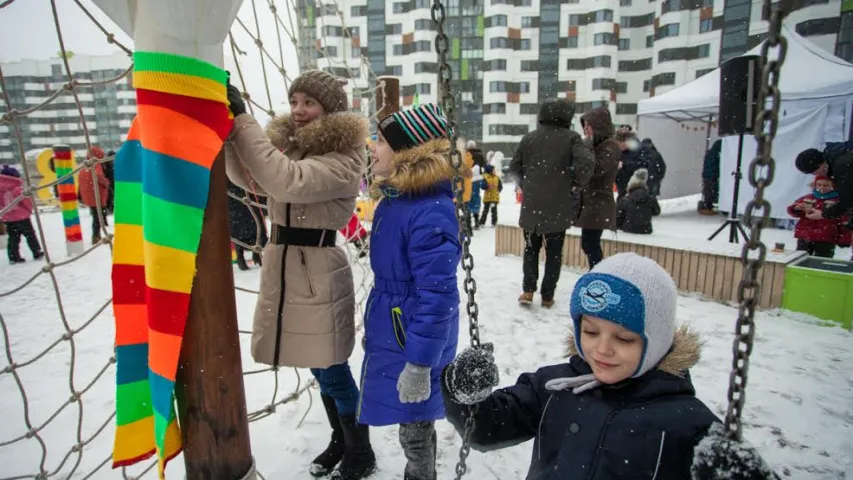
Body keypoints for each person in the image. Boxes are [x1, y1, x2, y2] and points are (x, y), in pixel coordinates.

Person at [441, 252, 778, 480]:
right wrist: (466, 393)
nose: (601, 349)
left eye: (625, 339)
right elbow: (486, 428)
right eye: (589, 331)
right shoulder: (555, 386)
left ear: (656, 341)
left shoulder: (688, 423)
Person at [225, 70, 375, 479]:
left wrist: (243, 122)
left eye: (308, 103)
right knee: (316, 365)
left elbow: (284, 182)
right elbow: (254, 179)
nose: (299, 111)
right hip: (288, 265)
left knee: (331, 367)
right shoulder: (294, 148)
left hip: (316, 268)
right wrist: (227, 133)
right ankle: (340, 438)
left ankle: (360, 449)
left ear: (329, 108)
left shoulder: (345, 156)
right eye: (295, 101)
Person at [362, 104, 461, 480]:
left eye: (383, 141)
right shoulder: (397, 201)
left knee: (416, 425)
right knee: (411, 421)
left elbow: (438, 297)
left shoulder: (429, 211)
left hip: (414, 335)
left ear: (408, 153)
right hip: (397, 325)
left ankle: (421, 476)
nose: (373, 147)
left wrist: (420, 363)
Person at [509, 98, 594, 308]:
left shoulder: (529, 138)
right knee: (554, 253)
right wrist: (574, 183)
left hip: (532, 207)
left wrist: (526, 186)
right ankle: (547, 296)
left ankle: (528, 290)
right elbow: (585, 165)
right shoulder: (571, 138)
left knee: (531, 250)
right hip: (559, 204)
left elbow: (514, 168)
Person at [574, 106, 620, 271]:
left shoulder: (610, 146)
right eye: (584, 125)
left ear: (598, 125)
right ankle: (596, 273)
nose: (586, 129)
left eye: (589, 125)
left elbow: (597, 169)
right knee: (588, 244)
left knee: (590, 244)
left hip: (599, 204)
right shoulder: (596, 145)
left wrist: (586, 148)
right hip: (590, 203)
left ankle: (598, 274)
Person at [787, 175, 846, 258]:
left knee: (822, 260)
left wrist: (843, 238)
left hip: (826, 237)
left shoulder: (837, 200)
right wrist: (796, 208)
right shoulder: (807, 198)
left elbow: (843, 219)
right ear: (815, 185)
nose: (822, 187)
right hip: (805, 235)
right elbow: (792, 210)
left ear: (833, 186)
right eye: (819, 185)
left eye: (826, 185)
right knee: (800, 259)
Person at [796, 148, 853, 221]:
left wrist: (824, 214)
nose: (815, 174)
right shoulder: (837, 157)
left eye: (813, 172)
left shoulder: (842, 167)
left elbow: (847, 200)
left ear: (819, 165)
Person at [1, 169, 43, 263]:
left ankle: (13, 256)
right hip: (21, 217)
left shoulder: (1, 190)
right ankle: (36, 252)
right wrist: (28, 210)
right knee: (30, 235)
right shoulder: (17, 189)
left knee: (13, 237)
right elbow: (26, 201)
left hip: (7, 218)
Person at [226, 180, 267, 270]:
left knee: (252, 228)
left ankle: (254, 255)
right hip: (238, 195)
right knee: (242, 229)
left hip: (244, 194)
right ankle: (243, 258)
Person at [77, 146, 111, 244]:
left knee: (95, 216)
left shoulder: (85, 167)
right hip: (97, 196)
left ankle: (96, 235)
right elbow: (99, 175)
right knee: (97, 218)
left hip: (89, 196)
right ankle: (96, 237)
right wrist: (106, 182)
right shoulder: (96, 165)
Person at [616, 168, 660, 234]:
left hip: (628, 230)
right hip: (646, 230)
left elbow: (617, 218)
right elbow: (657, 212)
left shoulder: (625, 200)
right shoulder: (650, 199)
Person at [613, 131, 643, 200]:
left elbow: (640, 165)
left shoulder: (637, 151)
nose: (618, 146)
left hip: (633, 188)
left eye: (619, 144)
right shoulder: (622, 152)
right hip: (622, 187)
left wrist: (624, 164)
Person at [699, 139, 722, 215]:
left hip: (707, 175)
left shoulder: (710, 152)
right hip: (711, 176)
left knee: (708, 191)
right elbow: (715, 166)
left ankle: (707, 206)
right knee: (710, 191)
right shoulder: (716, 154)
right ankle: (707, 207)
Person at [467, 140, 485, 230]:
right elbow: (483, 165)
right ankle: (476, 221)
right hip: (477, 180)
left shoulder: (466, 154)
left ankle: (468, 222)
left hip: (467, 180)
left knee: (467, 201)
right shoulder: (479, 154)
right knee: (476, 200)